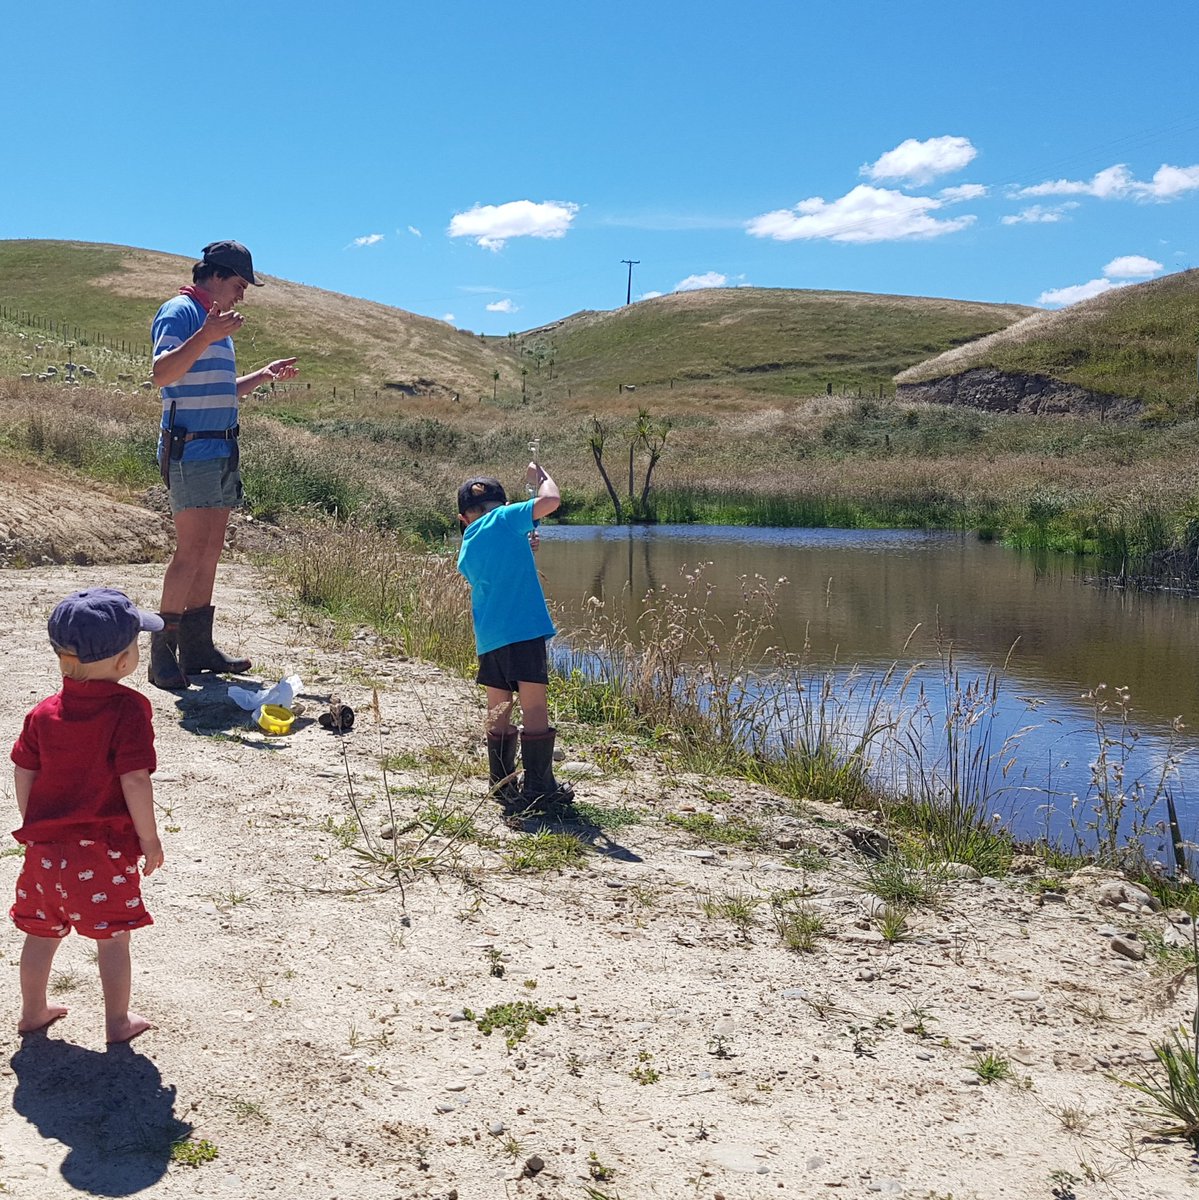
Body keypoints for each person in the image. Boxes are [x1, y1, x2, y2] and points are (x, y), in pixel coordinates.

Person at [9, 588, 165, 1044]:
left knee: (41, 933)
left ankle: (33, 1011)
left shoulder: (42, 713)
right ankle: (117, 1022)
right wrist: (150, 840)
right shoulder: (129, 709)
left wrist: (37, 824)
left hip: (45, 851)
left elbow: (24, 770)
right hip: (103, 851)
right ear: (122, 662)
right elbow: (134, 779)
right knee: (112, 938)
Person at [148, 240, 299, 690]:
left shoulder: (216, 326)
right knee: (191, 551)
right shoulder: (181, 312)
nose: (242, 294)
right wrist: (207, 336)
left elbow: (220, 388)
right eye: (238, 284)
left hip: (220, 448)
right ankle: (163, 654)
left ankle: (197, 649)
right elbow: (162, 374)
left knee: (211, 551)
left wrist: (263, 375)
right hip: (190, 449)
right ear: (214, 276)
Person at [456, 463, 575, 818]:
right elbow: (550, 500)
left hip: (490, 637)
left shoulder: (467, 545)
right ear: (505, 506)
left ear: (464, 518)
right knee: (534, 706)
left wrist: (523, 547)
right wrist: (541, 477)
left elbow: (499, 563)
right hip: (523, 629)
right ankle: (540, 787)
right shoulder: (506, 519)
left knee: (499, 706)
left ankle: (502, 781)